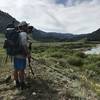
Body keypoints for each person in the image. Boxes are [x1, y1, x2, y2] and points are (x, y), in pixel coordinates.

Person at [13, 21, 30, 90]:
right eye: (26, 26)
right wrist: (28, 53)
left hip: (15, 54)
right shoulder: (24, 34)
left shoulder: (18, 33)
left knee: (16, 69)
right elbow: (24, 45)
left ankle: (16, 82)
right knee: (21, 70)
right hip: (21, 55)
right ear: (23, 27)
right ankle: (22, 84)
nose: (27, 27)